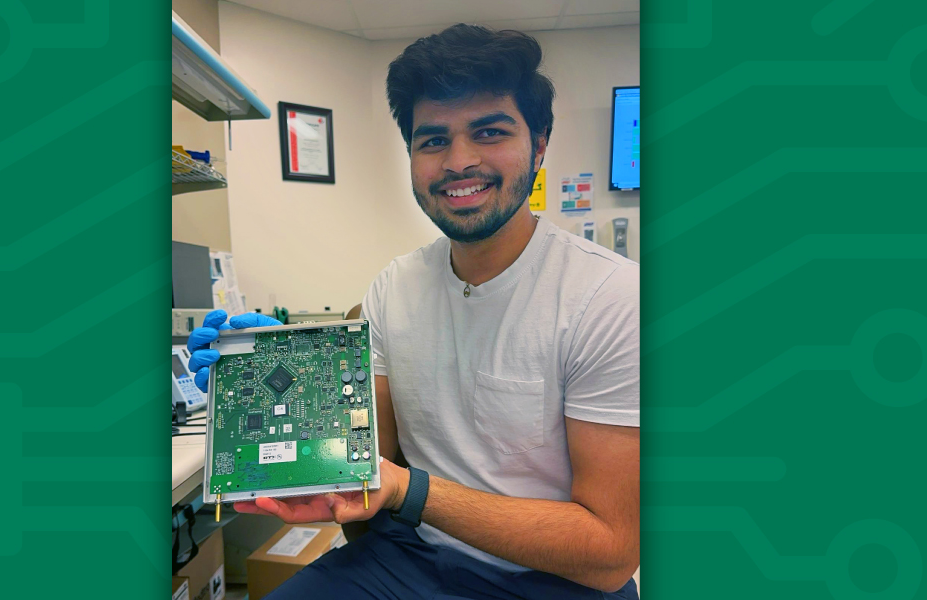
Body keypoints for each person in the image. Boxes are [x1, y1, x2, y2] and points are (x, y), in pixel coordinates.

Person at [188, 24, 639, 600]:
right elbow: (359, 462)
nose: (459, 161)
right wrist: (287, 382)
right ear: (411, 155)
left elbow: (609, 553)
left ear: (540, 143)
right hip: (406, 561)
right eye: (433, 141)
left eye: (490, 132)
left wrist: (409, 493)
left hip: (554, 582)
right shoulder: (394, 288)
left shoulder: (610, 297)